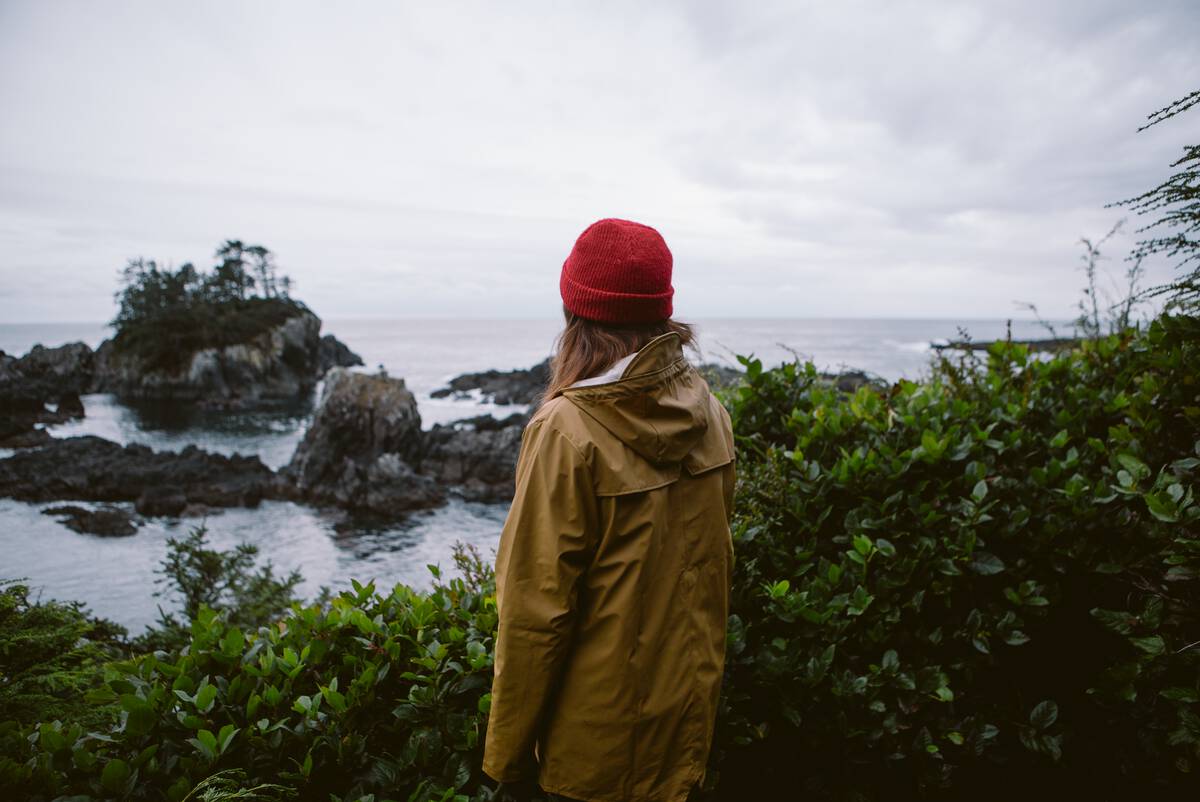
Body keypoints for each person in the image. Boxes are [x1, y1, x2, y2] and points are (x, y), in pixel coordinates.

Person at [482, 218, 736, 802]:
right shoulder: (710, 414)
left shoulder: (566, 430)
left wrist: (505, 763)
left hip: (591, 753)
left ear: (576, 311)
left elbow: (534, 611)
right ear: (662, 311)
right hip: (687, 727)